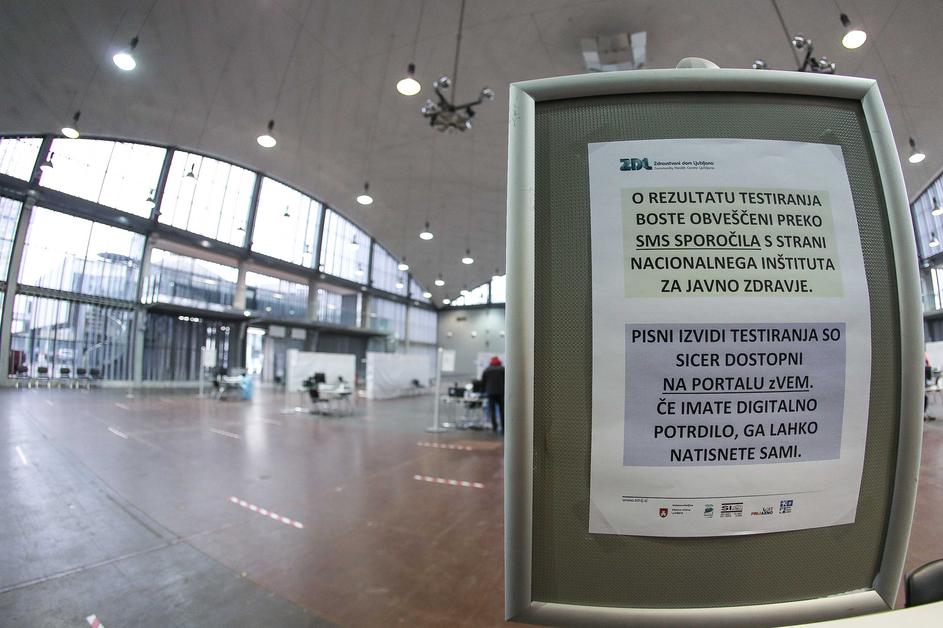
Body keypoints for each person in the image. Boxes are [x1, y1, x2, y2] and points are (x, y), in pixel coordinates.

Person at [481, 356, 505, 433]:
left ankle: (494, 427)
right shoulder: (503, 369)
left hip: (490, 392)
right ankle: (503, 427)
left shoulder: (487, 370)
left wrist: (483, 391)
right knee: (502, 410)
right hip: (501, 392)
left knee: (492, 410)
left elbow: (483, 382)